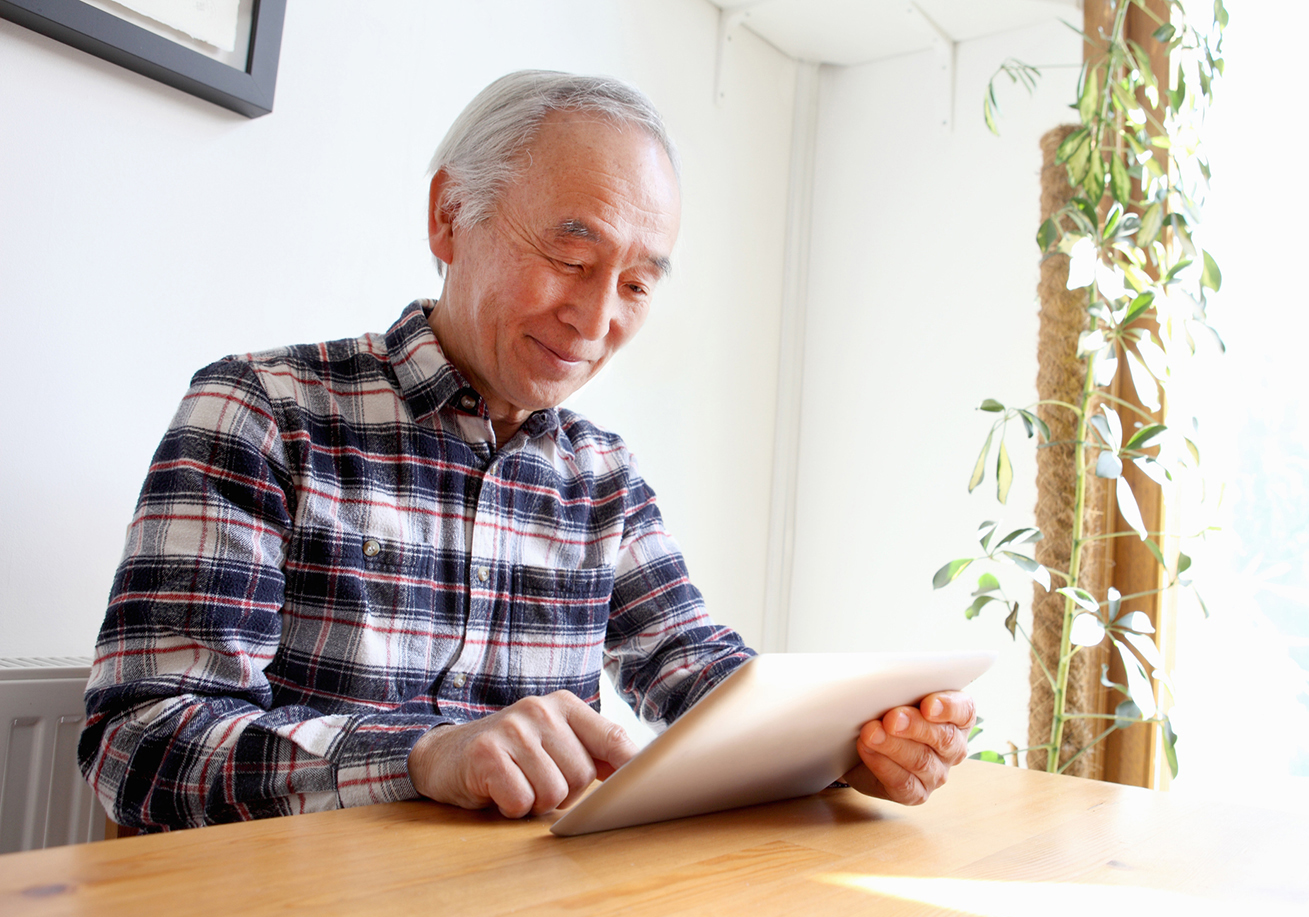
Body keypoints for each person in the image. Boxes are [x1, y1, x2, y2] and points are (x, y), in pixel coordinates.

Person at [80, 71, 976, 833]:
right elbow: (142, 740)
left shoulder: (603, 479)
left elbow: (699, 674)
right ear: (449, 218)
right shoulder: (265, 411)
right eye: (569, 255)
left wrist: (853, 744)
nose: (595, 323)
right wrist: (425, 756)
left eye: (634, 284)